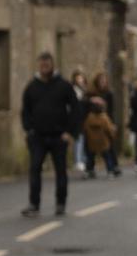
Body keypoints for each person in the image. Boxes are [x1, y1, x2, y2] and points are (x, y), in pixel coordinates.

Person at [20, 52, 81, 217]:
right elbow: (25, 111)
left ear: (52, 65)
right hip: (38, 136)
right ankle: (34, 204)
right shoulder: (32, 87)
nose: (44, 67)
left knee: (60, 171)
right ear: (38, 65)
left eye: (47, 64)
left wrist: (70, 133)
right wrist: (29, 130)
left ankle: (60, 204)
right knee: (35, 168)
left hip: (58, 136)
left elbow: (75, 109)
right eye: (42, 64)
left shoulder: (63, 86)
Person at [82, 97, 121, 178]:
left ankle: (89, 170)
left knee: (90, 157)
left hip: (91, 141)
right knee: (107, 157)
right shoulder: (104, 118)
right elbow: (109, 129)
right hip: (103, 141)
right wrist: (113, 135)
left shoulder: (89, 117)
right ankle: (110, 170)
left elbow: (85, 128)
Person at [69, 70, 90, 173]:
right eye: (78, 78)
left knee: (83, 139)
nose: (80, 80)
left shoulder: (84, 90)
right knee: (79, 139)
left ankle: (83, 159)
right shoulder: (74, 90)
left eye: (81, 78)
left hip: (84, 118)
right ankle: (78, 161)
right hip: (76, 119)